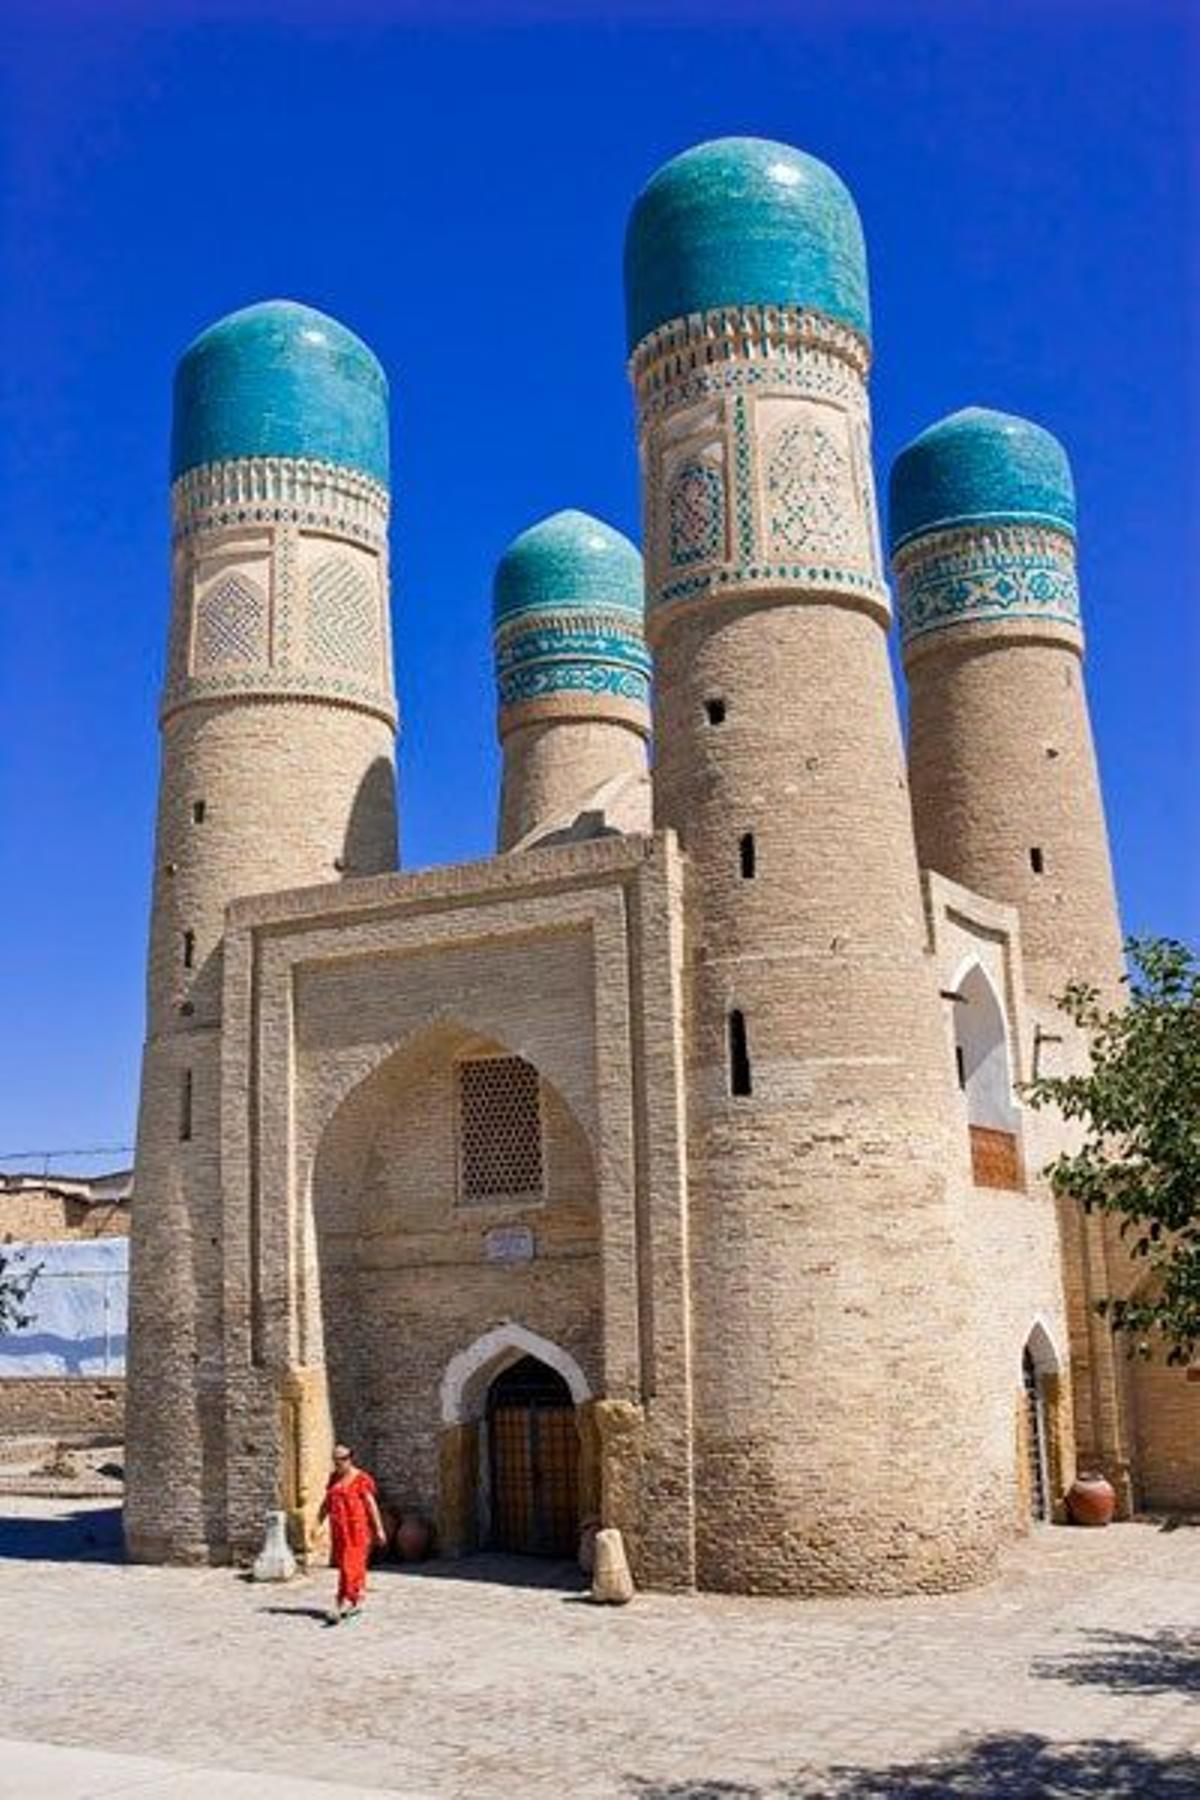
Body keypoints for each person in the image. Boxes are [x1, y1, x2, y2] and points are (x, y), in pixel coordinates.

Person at [317, 1443, 387, 1625]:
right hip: (339, 1530)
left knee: (350, 1565)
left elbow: (371, 1505)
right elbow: (327, 1502)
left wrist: (379, 1529)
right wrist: (318, 1522)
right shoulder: (333, 1478)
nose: (338, 1463)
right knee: (346, 1565)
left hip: (357, 1531)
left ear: (350, 1459)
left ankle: (342, 1602)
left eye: (342, 1459)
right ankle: (355, 1599)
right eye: (335, 1459)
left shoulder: (361, 1479)